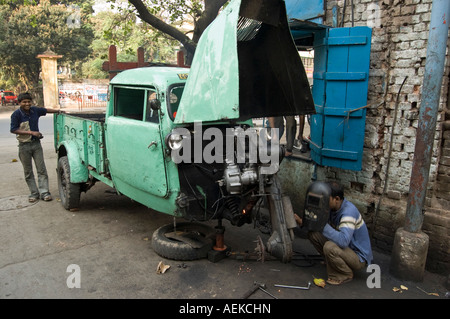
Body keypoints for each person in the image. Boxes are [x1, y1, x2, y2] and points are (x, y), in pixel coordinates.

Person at [295, 181, 373, 285]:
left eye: (326, 198)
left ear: (336, 199)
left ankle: (344, 273)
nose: (324, 201)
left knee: (329, 247)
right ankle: (332, 262)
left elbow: (343, 241)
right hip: (346, 250)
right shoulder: (333, 208)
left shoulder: (348, 212)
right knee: (313, 234)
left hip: (358, 257)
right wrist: (302, 221)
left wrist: (320, 223)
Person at [10, 92, 62, 203]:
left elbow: (46, 110)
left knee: (41, 169)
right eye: (24, 102)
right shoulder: (16, 114)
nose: (27, 104)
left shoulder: (35, 110)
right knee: (28, 171)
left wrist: (58, 111)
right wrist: (31, 132)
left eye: (28, 101)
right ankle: (34, 193)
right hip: (24, 146)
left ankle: (45, 192)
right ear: (19, 103)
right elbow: (13, 129)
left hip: (36, 145)